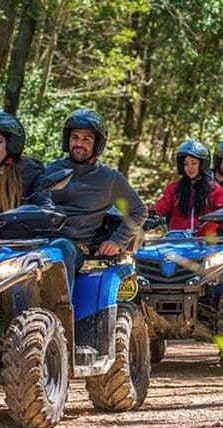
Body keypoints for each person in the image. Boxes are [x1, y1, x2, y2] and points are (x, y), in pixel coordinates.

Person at [45, 108, 148, 291]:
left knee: (61, 249)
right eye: (75, 137)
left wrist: (117, 240)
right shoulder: (50, 170)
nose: (79, 144)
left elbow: (138, 211)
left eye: (87, 139)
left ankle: (59, 308)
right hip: (39, 242)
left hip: (73, 248)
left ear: (97, 144)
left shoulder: (109, 179)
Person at [152, 140, 223, 235]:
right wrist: (148, 215)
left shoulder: (215, 190)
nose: (189, 167)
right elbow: (160, 208)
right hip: (177, 239)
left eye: (193, 163)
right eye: (186, 164)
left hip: (204, 240)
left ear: (202, 164)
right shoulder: (173, 188)